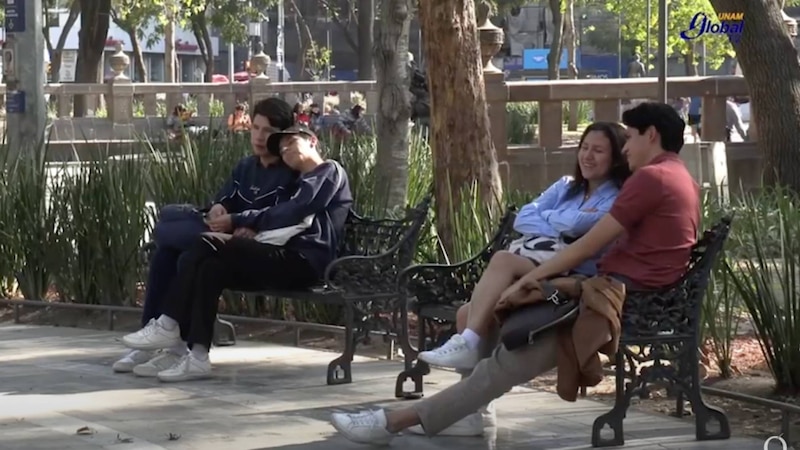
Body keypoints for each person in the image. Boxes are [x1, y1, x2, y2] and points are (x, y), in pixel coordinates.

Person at [329, 102, 700, 445]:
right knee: (479, 319)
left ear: (651, 134)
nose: (626, 149)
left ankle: (391, 422)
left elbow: (586, 246)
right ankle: (470, 413)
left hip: (617, 300)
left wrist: (528, 280)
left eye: (630, 138)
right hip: (623, 293)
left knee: (506, 360)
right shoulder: (675, 175)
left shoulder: (651, 178)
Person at [119, 124, 353, 382]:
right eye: (282, 149)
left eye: (290, 143)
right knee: (209, 267)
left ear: (312, 141)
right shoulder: (295, 182)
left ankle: (168, 323)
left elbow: (293, 212)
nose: (285, 150)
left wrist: (240, 220)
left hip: (304, 261)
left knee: (205, 243)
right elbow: (274, 213)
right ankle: (196, 356)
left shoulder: (328, 171)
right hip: (277, 257)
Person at [418, 122, 630, 374]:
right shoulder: (565, 186)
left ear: (616, 158)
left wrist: (550, 216)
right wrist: (562, 220)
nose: (587, 156)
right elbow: (524, 217)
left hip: (572, 274)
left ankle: (468, 343)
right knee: (466, 314)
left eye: (598, 150)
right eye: (584, 147)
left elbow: (579, 226)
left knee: (503, 260)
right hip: (538, 263)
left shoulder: (616, 198)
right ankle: (477, 407)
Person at [112, 98, 297, 376]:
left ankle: (168, 336)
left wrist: (250, 227)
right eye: (255, 128)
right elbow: (223, 203)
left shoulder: (291, 173)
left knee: (186, 250)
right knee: (167, 253)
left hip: (255, 253)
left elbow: (285, 218)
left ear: (283, 135)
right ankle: (162, 340)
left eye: (268, 131)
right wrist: (218, 207)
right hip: (220, 240)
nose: (259, 137)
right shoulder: (245, 168)